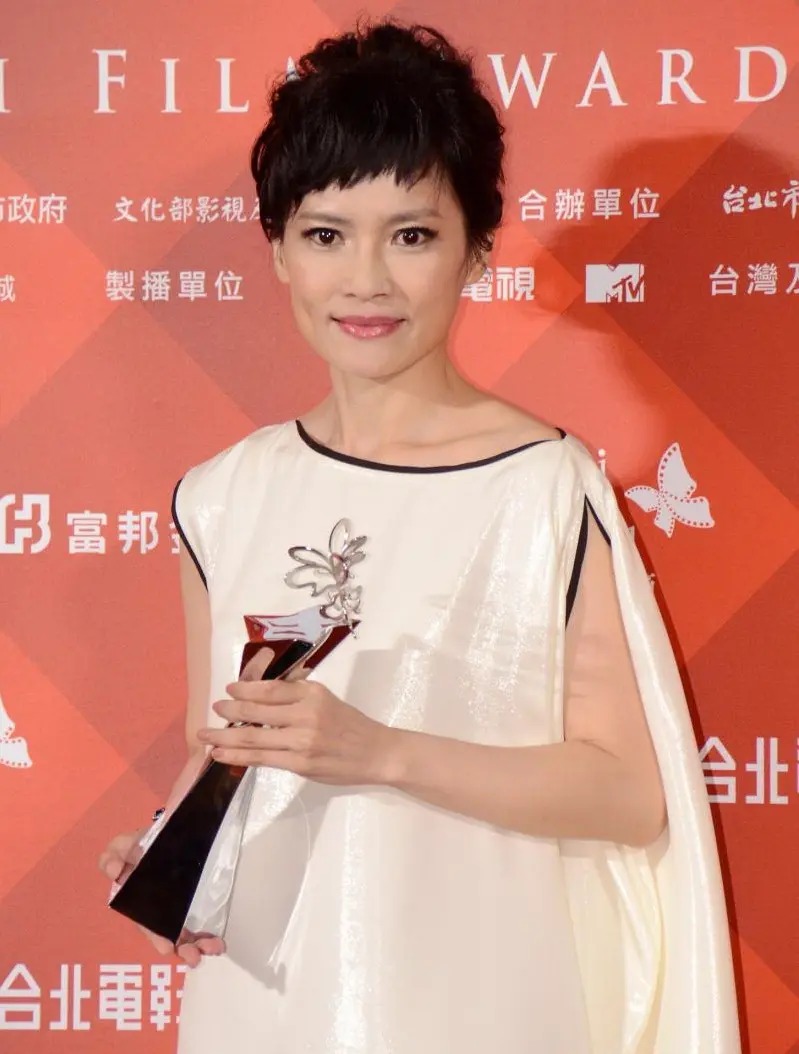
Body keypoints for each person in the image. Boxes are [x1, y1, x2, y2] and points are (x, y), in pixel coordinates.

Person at [99, 17, 741, 1053]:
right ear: (276, 249)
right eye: (325, 235)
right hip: (264, 994)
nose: (366, 279)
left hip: (476, 995)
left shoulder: (542, 487)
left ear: (476, 249)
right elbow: (224, 747)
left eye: (410, 235)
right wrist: (175, 853)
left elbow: (627, 795)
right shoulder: (219, 497)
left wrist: (384, 753)